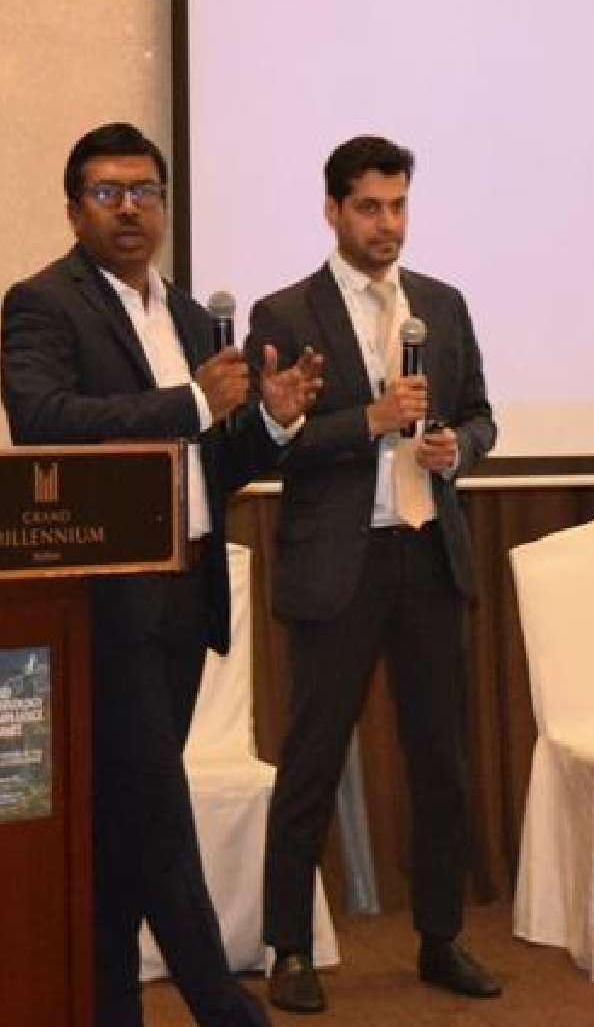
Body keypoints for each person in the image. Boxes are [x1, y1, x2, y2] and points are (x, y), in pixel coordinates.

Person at [0, 122, 322, 1027]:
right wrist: (192, 403)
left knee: (120, 820)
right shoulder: (42, 303)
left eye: (145, 191)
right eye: (108, 193)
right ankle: (222, 1002)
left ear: (166, 206)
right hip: (105, 596)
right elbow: (44, 420)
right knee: (154, 799)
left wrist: (273, 425)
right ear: (74, 209)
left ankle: (107, 1008)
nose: (130, 208)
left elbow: (209, 466)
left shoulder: (182, 314)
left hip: (186, 587)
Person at [246, 135, 500, 1013]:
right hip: (337, 566)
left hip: (428, 555)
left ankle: (440, 937)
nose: (386, 224)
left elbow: (482, 417)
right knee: (312, 757)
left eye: (398, 206)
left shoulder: (444, 305)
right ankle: (289, 948)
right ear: (333, 211)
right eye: (368, 207)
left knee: (442, 761)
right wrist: (373, 419)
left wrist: (452, 446)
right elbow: (275, 441)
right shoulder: (285, 315)